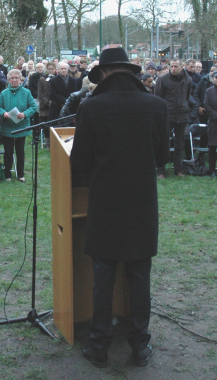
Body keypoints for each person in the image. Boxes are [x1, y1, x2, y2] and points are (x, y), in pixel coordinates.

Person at [70, 47, 167, 369]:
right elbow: (162, 157)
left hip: (105, 204)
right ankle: (140, 345)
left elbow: (79, 164)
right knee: (140, 277)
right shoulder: (156, 106)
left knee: (103, 277)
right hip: (142, 205)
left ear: (105, 74)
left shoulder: (91, 107)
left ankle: (98, 346)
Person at [155, 58, 193, 177]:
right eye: (171, 66)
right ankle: (161, 170)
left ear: (182, 67)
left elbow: (187, 96)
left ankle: (178, 169)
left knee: (180, 144)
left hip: (181, 115)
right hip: (167, 115)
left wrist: (185, 107)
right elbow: (158, 98)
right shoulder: (163, 79)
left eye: (176, 66)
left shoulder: (188, 79)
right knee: (164, 143)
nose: (173, 69)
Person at [0, 69, 37, 182]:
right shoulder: (4, 93)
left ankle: (20, 174)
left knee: (20, 152)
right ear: (9, 80)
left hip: (21, 126)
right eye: (12, 78)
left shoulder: (26, 92)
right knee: (8, 152)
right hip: (7, 127)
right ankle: (8, 174)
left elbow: (33, 107)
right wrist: (3, 113)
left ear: (20, 79)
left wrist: (24, 114)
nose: (14, 80)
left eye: (16, 78)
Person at [48, 61, 77, 146]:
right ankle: (54, 145)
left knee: (68, 127)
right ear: (58, 69)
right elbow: (52, 94)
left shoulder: (73, 80)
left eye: (65, 68)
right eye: (62, 68)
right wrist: (65, 100)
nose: (64, 70)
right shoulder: (53, 80)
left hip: (70, 108)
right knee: (55, 127)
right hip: (57, 107)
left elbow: (75, 93)